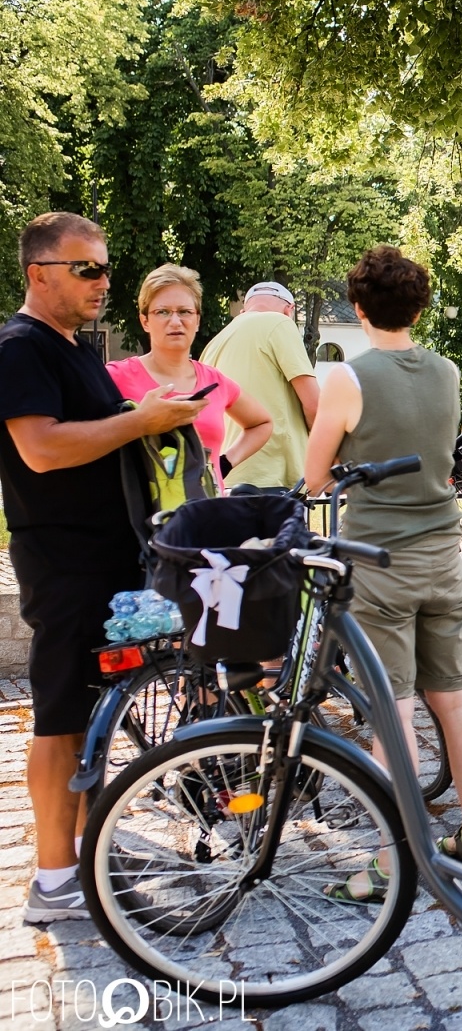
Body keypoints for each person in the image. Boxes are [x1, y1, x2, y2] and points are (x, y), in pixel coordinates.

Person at [3, 212, 206, 923]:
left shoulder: (73, 347)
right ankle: (54, 880)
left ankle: (89, 854)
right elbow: (41, 449)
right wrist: (138, 422)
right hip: (63, 562)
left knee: (90, 713)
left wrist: (143, 414)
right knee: (60, 718)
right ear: (39, 273)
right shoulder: (20, 347)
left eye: (105, 268)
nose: (101, 281)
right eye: (85, 268)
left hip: (102, 557)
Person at [304, 246, 462, 899]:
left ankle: (393, 861)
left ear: (359, 308)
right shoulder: (446, 371)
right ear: (419, 307)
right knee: (455, 697)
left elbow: (314, 475)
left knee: (394, 710)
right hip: (443, 555)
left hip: (379, 562)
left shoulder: (346, 378)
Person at [106, 264, 272, 489]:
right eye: (163, 312)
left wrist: (223, 464)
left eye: (184, 312)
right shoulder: (115, 376)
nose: (175, 321)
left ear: (197, 320)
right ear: (145, 321)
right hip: (140, 509)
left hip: (206, 508)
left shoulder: (214, 381)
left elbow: (262, 423)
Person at [199, 281, 319, 490]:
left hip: (224, 474)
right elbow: (314, 405)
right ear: (289, 310)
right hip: (272, 474)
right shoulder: (279, 322)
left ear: (244, 311)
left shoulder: (214, 343)